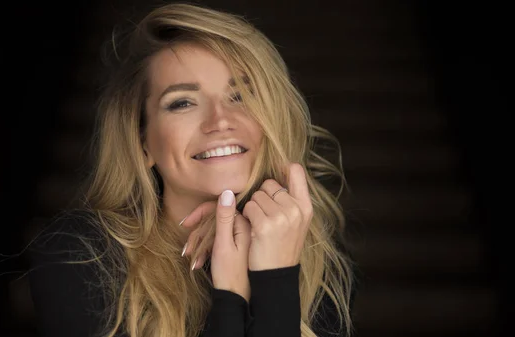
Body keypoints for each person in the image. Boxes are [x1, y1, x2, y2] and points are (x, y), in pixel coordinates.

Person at [27, 2, 355, 337]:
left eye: (240, 95)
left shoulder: (319, 261)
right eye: (182, 102)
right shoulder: (80, 257)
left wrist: (275, 277)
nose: (221, 120)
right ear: (142, 142)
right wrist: (231, 296)